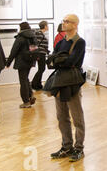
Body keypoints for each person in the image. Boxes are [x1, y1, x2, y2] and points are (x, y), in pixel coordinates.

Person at [50, 14, 86, 162]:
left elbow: (72, 61)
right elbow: (52, 60)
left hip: (72, 82)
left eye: (67, 21)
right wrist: (60, 60)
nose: (64, 24)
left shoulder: (79, 42)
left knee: (77, 117)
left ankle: (78, 148)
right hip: (60, 81)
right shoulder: (60, 42)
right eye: (63, 21)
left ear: (75, 24)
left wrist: (60, 60)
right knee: (61, 116)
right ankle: (66, 146)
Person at [6, 22, 37, 108]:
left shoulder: (20, 37)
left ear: (21, 28)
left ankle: (26, 102)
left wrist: (8, 63)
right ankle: (31, 95)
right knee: (25, 78)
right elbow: (34, 50)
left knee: (23, 81)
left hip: (22, 62)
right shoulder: (33, 36)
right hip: (30, 61)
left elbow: (14, 51)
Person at [31, 21, 50, 90]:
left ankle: (38, 85)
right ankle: (34, 84)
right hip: (40, 53)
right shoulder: (39, 33)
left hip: (42, 53)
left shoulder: (41, 33)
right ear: (45, 26)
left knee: (41, 69)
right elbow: (35, 44)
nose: (48, 26)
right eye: (47, 25)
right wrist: (36, 54)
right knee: (42, 69)